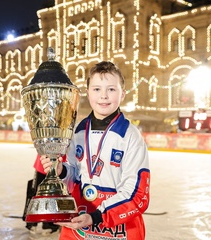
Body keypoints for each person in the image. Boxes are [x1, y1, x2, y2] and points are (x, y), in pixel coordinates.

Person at [41, 61, 150, 240]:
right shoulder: (78, 130)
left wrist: (96, 217)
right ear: (88, 92)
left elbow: (138, 195)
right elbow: (74, 175)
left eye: (111, 89)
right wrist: (61, 171)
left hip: (117, 230)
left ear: (122, 94)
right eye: (97, 89)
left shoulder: (131, 136)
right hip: (78, 227)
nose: (104, 96)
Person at [22, 154, 60, 235]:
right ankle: (32, 221)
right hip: (43, 163)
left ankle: (49, 224)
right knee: (36, 191)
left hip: (60, 165)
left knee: (54, 193)